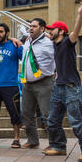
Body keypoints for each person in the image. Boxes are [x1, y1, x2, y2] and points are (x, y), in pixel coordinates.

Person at [44, 0, 82, 162]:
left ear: (62, 31)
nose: (50, 31)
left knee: (76, 121)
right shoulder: (55, 45)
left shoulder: (67, 41)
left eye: (53, 29)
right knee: (52, 120)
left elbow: (76, 31)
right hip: (59, 87)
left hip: (71, 87)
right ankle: (58, 146)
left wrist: (80, 14)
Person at [20, 18, 56, 149]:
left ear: (42, 29)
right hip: (27, 84)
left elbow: (57, 58)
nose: (31, 28)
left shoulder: (48, 43)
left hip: (44, 83)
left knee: (47, 114)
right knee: (27, 113)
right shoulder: (27, 41)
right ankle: (33, 140)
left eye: (34, 26)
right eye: (30, 26)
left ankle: (54, 143)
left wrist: (55, 72)